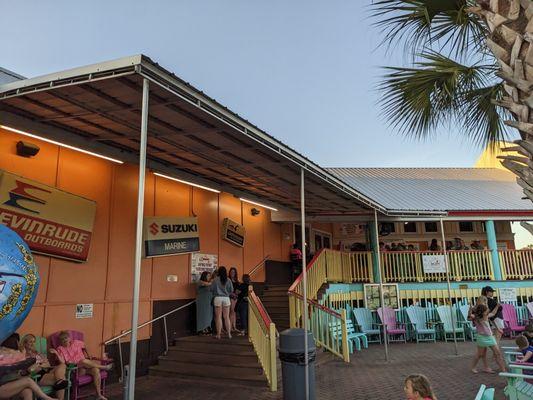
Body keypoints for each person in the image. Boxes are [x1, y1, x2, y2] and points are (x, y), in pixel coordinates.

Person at [53, 331, 112, 400]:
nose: (64, 340)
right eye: (62, 339)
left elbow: (84, 346)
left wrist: (88, 355)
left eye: (66, 338)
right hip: (75, 370)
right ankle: (104, 367)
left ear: (69, 338)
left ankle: (98, 395)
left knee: (96, 370)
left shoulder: (76, 342)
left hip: (86, 366)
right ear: (60, 341)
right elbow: (62, 362)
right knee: (83, 361)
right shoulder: (60, 349)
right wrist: (57, 354)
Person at [19, 334, 68, 400]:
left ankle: (59, 381)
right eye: (30, 342)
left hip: (46, 370)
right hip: (38, 375)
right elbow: (30, 369)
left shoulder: (36, 353)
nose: (33, 344)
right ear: (25, 343)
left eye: (34, 342)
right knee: (63, 378)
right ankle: (60, 383)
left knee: (63, 365)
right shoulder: (23, 355)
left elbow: (48, 364)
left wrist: (40, 364)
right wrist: (40, 364)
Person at [469, 296, 506, 374]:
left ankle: (503, 369)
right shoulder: (476, 316)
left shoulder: (485, 316)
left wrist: (497, 306)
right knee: (480, 354)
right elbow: (470, 317)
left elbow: (493, 313)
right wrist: (470, 309)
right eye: (485, 303)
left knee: (497, 353)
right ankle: (473, 367)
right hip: (482, 337)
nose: (487, 309)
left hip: (489, 337)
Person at [210, 266, 233, 339]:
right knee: (226, 317)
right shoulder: (228, 280)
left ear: (218, 272)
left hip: (217, 298)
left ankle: (218, 334)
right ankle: (229, 334)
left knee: (218, 317)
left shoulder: (215, 280)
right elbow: (231, 290)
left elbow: (211, 289)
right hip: (226, 298)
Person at [228, 267, 240, 332]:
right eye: (231, 272)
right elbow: (227, 289)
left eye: (234, 272)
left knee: (234, 312)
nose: (232, 273)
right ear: (229, 273)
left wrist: (237, 293)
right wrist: (232, 294)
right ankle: (230, 328)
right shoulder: (228, 280)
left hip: (236, 297)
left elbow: (238, 289)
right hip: (231, 297)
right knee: (231, 312)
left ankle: (234, 327)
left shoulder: (237, 280)